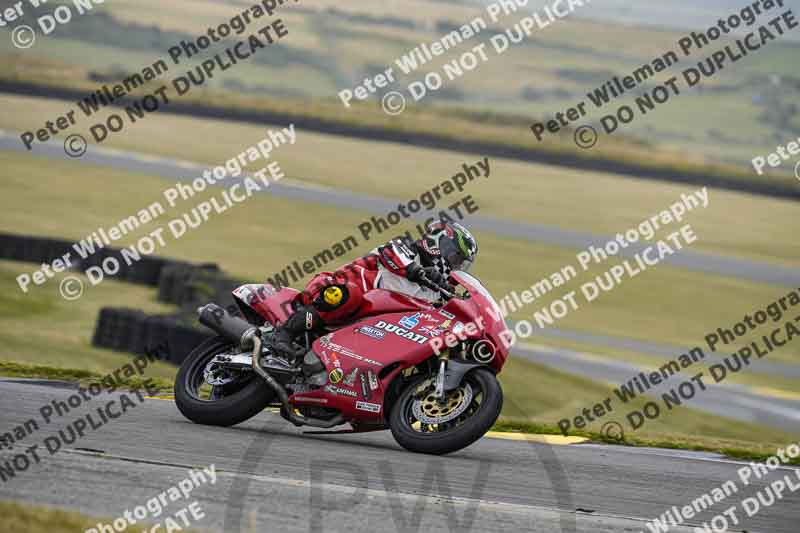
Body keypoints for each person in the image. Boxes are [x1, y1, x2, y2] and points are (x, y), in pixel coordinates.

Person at [266, 220, 479, 360]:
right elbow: (392, 255)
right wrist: (418, 271)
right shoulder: (404, 248)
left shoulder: (436, 293)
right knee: (349, 295)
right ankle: (284, 333)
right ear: (438, 241)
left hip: (367, 328)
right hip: (333, 290)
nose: (454, 265)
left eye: (460, 262)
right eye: (455, 256)